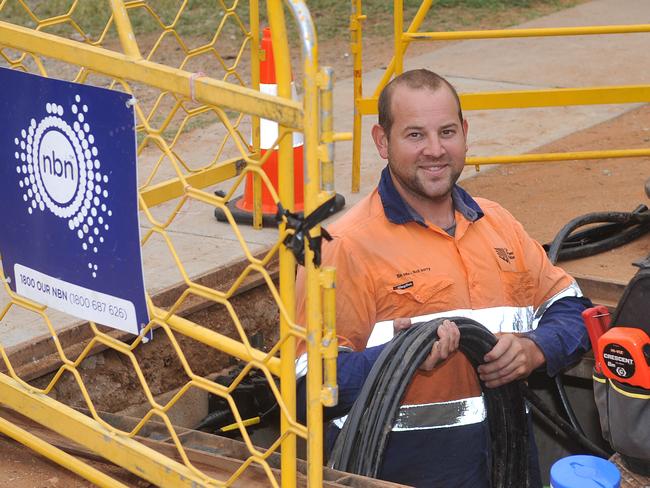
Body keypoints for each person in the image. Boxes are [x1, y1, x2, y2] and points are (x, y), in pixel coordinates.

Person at [295, 68, 591, 487]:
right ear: (383, 141)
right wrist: (399, 357)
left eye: (447, 132)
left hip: (505, 467)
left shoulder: (498, 224)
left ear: (465, 134)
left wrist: (536, 350)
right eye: (415, 135)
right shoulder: (342, 246)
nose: (435, 150)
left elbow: (575, 309)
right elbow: (304, 381)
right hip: (403, 472)